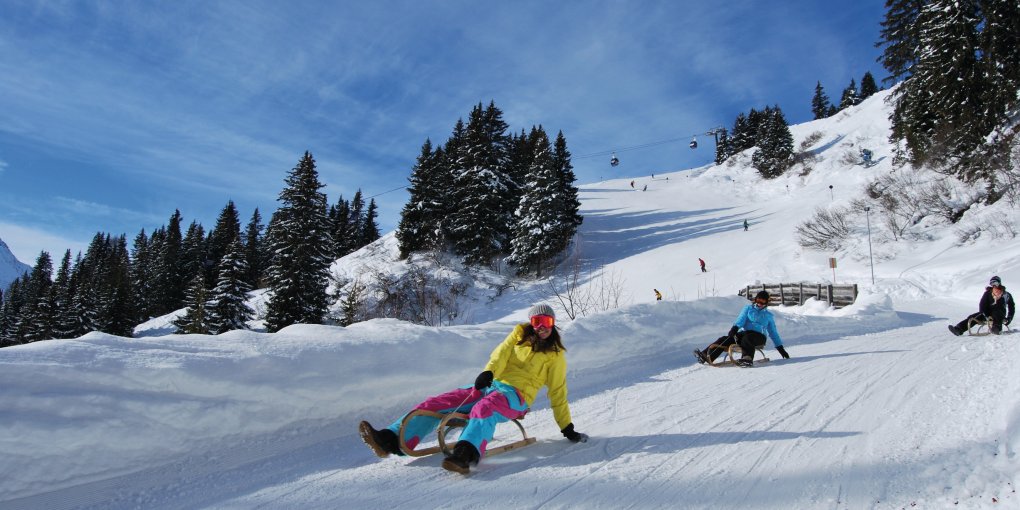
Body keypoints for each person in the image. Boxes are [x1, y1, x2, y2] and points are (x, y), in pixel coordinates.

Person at [359, 304, 588, 474]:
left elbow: (558, 391)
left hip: (516, 397)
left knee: (484, 408)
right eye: (537, 321)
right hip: (493, 385)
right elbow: (499, 356)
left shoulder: (555, 356)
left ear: (553, 324)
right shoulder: (518, 337)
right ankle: (389, 439)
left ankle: (465, 454)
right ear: (531, 322)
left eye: (546, 322)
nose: (541, 327)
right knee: (439, 402)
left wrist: (567, 427)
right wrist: (488, 372)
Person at [693, 290, 790, 367]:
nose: (760, 303)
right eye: (758, 300)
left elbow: (773, 332)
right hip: (745, 334)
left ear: (766, 302)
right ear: (755, 299)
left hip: (759, 337)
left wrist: (780, 348)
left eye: (763, 301)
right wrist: (735, 328)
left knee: (748, 338)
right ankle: (706, 355)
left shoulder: (768, 316)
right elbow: (741, 319)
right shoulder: (748, 309)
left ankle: (747, 358)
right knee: (725, 339)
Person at [948, 276, 1015, 336]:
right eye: (992, 283)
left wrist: (1009, 318)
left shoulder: (1006, 294)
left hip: (1000, 313)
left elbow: (1011, 306)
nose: (994, 285)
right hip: (988, 313)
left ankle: (996, 329)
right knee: (974, 317)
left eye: (996, 283)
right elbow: (982, 304)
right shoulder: (988, 293)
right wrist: (984, 313)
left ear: (999, 283)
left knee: (997, 313)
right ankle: (959, 329)